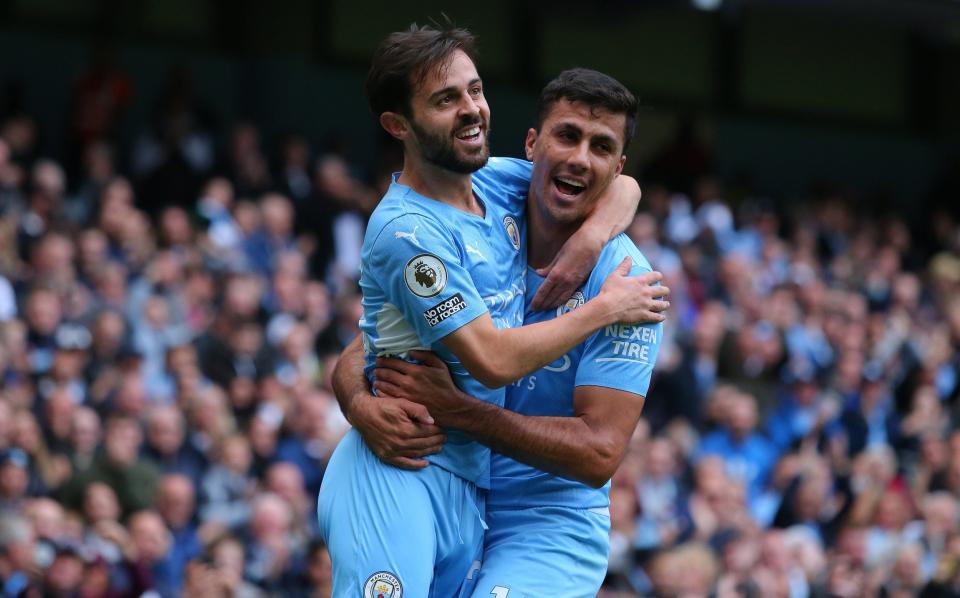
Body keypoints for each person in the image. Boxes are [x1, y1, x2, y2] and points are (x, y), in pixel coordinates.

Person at [317, 25, 668, 597]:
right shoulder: (465, 199)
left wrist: (592, 241)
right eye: (567, 137)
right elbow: (382, 340)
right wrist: (357, 398)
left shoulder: (623, 281)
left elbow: (601, 451)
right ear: (532, 146)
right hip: (430, 472)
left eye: (600, 147)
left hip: (544, 518)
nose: (580, 160)